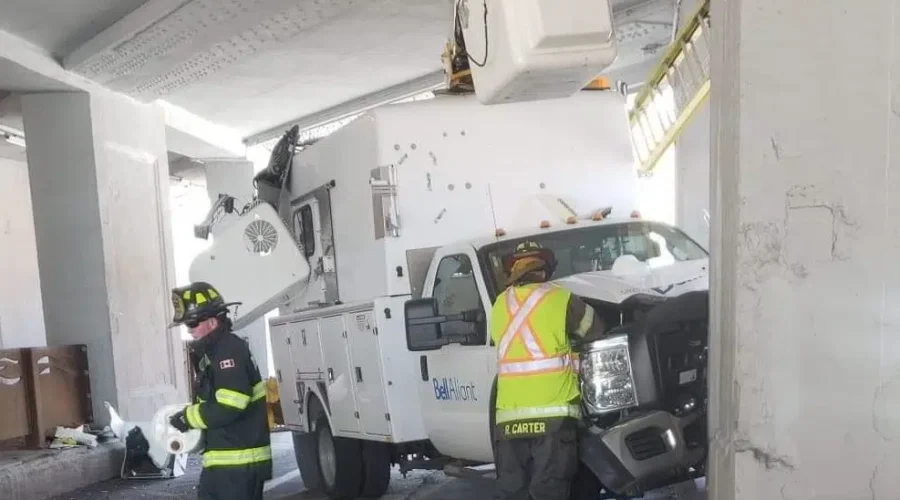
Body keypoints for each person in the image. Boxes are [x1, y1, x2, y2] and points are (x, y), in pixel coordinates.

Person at [490, 240, 601, 500]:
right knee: (549, 490)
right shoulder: (561, 299)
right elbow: (595, 330)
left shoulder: (498, 305)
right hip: (553, 417)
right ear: (545, 270)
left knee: (515, 491)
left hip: (509, 419)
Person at [167, 282, 272, 500]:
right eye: (187, 324)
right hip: (224, 463)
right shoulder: (215, 352)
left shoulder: (228, 352)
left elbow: (229, 405)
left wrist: (188, 417)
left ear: (213, 321)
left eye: (193, 322)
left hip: (239, 465)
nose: (190, 329)